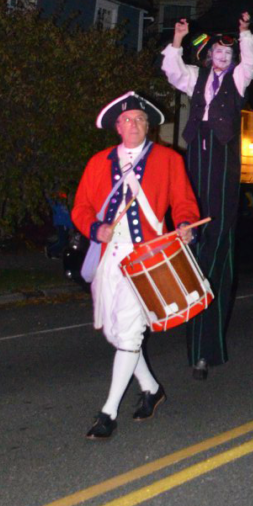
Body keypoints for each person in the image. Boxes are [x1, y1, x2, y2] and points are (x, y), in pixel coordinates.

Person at [71, 92, 199, 440]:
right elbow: (80, 207)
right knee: (115, 333)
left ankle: (107, 413)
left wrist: (185, 223)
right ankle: (152, 388)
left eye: (140, 120)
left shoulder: (168, 159)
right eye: (127, 120)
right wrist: (96, 229)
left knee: (129, 332)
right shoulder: (99, 162)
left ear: (149, 126)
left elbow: (184, 202)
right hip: (108, 257)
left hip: (147, 258)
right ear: (117, 126)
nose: (134, 125)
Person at [161, 11, 253, 381]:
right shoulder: (195, 78)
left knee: (216, 247)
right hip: (197, 156)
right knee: (193, 239)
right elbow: (171, 71)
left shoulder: (237, 80)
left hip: (222, 156)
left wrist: (245, 33)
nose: (223, 58)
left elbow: (249, 62)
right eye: (218, 52)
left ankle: (208, 351)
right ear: (207, 56)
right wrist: (178, 39)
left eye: (228, 54)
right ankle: (194, 242)